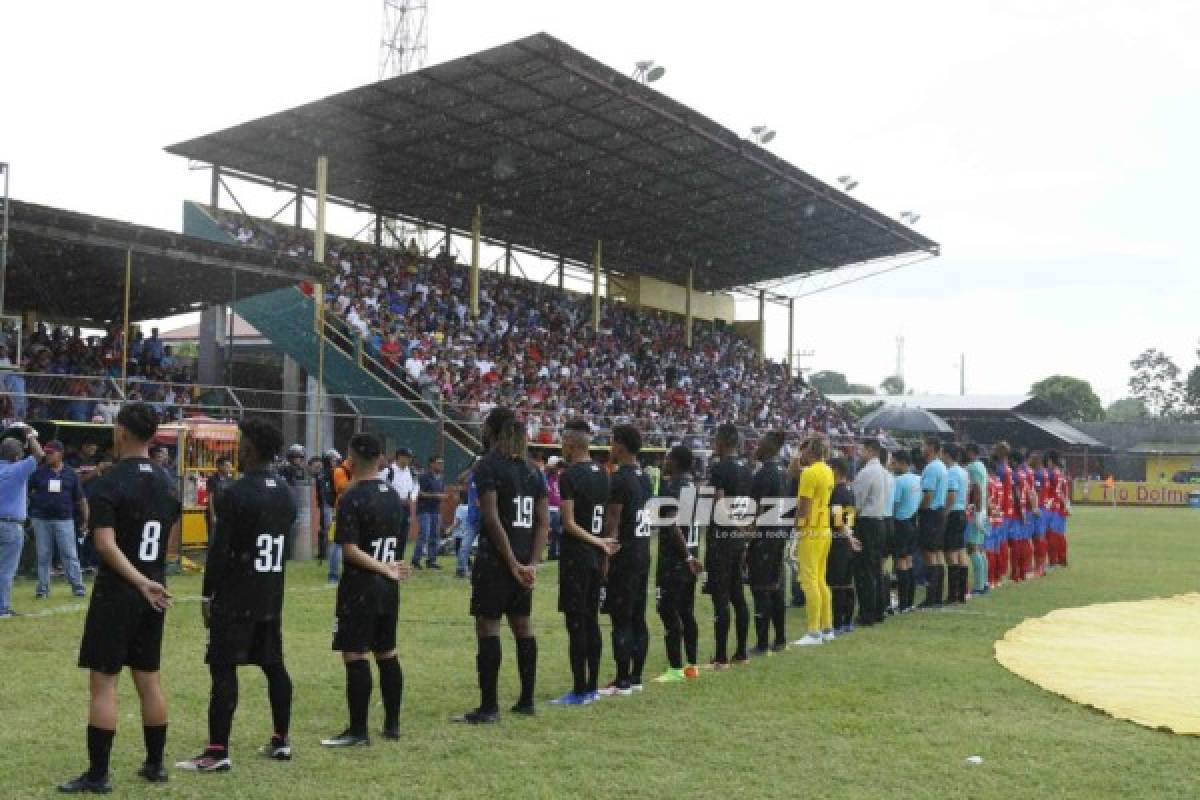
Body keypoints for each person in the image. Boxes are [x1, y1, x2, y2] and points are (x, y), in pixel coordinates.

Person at [59, 403, 181, 793]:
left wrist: (138, 581)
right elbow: (169, 537)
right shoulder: (166, 481)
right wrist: (151, 579)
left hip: (119, 591)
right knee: (149, 679)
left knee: (104, 683)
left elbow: (106, 546)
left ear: (124, 432)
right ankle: (155, 765)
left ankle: (97, 775)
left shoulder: (110, 481)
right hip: (154, 589)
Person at [176, 419, 298, 771]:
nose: (238, 448)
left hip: (237, 594)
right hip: (270, 593)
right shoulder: (285, 491)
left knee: (223, 669)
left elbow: (220, 550)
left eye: (242, 442)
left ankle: (217, 751)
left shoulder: (236, 492)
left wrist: (207, 595)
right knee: (274, 666)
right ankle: (281, 740)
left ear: (251, 448)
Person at [453, 407, 548, 724]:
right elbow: (543, 522)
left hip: (496, 561)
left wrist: (509, 561)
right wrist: (530, 564)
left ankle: (489, 706)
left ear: (492, 431)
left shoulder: (488, 466)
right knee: (523, 626)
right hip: (524, 559)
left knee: (488, 627)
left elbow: (492, 518)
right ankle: (526, 699)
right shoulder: (535, 471)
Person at [321, 433, 412, 747]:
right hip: (388, 586)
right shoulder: (393, 495)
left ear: (353, 457)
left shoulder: (351, 495)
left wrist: (382, 566)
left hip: (362, 584)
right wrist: (392, 566)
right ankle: (392, 724)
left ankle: (358, 731)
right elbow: (399, 542)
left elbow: (349, 549)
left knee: (355, 653)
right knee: (386, 652)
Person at [550, 419, 615, 705]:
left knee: (576, 622)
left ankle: (579, 690)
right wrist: (602, 544)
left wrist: (595, 541)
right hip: (596, 556)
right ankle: (592, 685)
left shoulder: (569, 476)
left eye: (563, 442)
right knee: (591, 621)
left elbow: (569, 523)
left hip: (578, 555)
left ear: (571, 443)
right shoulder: (603, 474)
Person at [597, 424, 653, 695]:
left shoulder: (619, 479)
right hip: (643, 551)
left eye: (612, 442)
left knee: (621, 617)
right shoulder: (645, 478)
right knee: (638, 616)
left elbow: (614, 520)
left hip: (626, 553)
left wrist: (608, 554)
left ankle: (621, 680)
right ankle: (636, 676)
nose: (610, 448)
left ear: (620, 445)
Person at [704, 423, 753, 667]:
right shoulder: (747, 470)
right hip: (738, 538)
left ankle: (721, 655)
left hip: (721, 538)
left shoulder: (718, 468)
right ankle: (742, 652)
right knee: (738, 596)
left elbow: (718, 501)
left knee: (721, 597)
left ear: (722, 442)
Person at [653, 445, 702, 683]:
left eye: (667, 458)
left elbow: (672, 526)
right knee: (686, 611)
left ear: (674, 461)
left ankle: (675, 668)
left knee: (667, 610)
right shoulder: (694, 487)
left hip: (676, 561)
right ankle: (692, 665)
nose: (665, 461)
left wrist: (686, 557)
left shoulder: (672, 488)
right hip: (691, 556)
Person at [30, 439, 89, 599]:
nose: (48, 455)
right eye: (46, 452)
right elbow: (28, 492)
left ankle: (78, 586)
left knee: (69, 554)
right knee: (43, 555)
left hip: (64, 519)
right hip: (41, 519)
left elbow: (81, 499)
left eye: (51, 452)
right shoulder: (38, 472)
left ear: (60, 454)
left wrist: (85, 520)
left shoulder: (71, 474)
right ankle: (42, 589)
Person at [747, 431, 788, 655]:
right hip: (779, 533)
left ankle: (762, 643)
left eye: (759, 444)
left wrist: (747, 538)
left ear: (768, 448)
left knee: (761, 589)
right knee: (776, 588)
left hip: (765, 537)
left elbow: (756, 510)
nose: (755, 448)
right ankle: (780, 638)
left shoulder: (764, 474)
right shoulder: (783, 471)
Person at [792, 435, 835, 646]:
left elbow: (804, 506)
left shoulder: (809, 473)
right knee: (820, 580)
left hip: (811, 531)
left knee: (809, 581)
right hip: (824, 529)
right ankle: (827, 627)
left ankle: (813, 631)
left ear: (811, 451)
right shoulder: (828, 471)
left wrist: (797, 527)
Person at [0, 425, 43, 618]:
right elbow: (40, 454)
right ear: (17, 456)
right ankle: (2, 608)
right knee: (6, 569)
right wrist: (30, 435)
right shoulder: (18, 469)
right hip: (10, 525)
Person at [850, 439, 887, 626]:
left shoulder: (867, 472)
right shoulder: (883, 472)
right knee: (875, 569)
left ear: (871, 451)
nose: (859, 453)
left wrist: (848, 524)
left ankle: (867, 613)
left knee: (864, 571)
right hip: (879, 521)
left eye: (862, 449)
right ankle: (878, 610)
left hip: (866, 522)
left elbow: (857, 502)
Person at [916, 436, 949, 609]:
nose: (922, 449)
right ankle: (936, 596)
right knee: (936, 555)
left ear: (931, 447)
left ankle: (931, 597)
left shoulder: (931, 468)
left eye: (923, 445)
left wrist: (920, 510)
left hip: (931, 513)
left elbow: (928, 494)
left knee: (929, 555)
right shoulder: (942, 466)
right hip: (939, 513)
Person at [828, 458, 859, 634]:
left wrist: (846, 537)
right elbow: (850, 519)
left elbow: (839, 520)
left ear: (836, 471)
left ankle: (837, 622)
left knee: (837, 583)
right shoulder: (850, 491)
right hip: (847, 539)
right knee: (847, 582)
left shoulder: (837, 493)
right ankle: (847, 621)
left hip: (839, 540)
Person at [889, 450, 921, 612]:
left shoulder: (899, 481)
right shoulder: (918, 479)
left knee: (901, 562)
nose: (892, 466)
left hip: (901, 523)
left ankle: (902, 604)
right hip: (913, 522)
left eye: (894, 462)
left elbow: (894, 504)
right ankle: (909, 602)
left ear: (902, 463)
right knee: (909, 561)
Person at [941, 444, 970, 604]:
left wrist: (944, 513)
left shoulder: (951, 472)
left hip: (953, 513)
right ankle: (961, 594)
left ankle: (953, 594)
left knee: (951, 554)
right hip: (962, 513)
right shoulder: (963, 472)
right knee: (961, 552)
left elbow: (951, 494)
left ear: (946, 455)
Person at [381, 448, 419, 561]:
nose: (408, 459)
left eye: (409, 457)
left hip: (405, 507)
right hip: (391, 507)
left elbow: (416, 487)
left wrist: (411, 498)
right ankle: (388, 560)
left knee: (403, 534)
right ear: (399, 457)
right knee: (391, 534)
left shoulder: (412, 472)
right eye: (406, 456)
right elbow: (380, 486)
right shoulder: (388, 471)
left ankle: (399, 560)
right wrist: (392, 498)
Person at [963, 444, 990, 596]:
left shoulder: (972, 467)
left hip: (976, 511)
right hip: (983, 509)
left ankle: (979, 587)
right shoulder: (982, 465)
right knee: (980, 548)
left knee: (972, 548)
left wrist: (977, 511)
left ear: (970, 452)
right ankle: (984, 583)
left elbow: (977, 489)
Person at [412, 455, 446, 569]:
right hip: (424, 510)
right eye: (439, 463)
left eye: (442, 463)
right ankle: (415, 561)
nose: (441, 465)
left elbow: (440, 493)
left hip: (435, 510)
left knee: (435, 536)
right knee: (424, 534)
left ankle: (431, 561)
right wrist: (436, 495)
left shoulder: (440, 478)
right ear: (431, 464)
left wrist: (441, 496)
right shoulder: (424, 477)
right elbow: (419, 493)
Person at [1044, 450, 1070, 567]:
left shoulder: (1053, 474)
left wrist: (1050, 504)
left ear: (1050, 460)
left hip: (1056, 508)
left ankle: (1053, 561)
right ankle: (1062, 559)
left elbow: (1057, 492)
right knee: (1060, 535)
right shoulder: (1060, 473)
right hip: (1062, 508)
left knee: (1053, 535)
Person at [544, 456, 563, 561]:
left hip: (557, 508)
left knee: (557, 532)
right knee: (544, 531)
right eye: (557, 465)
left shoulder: (558, 477)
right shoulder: (546, 476)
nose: (558, 468)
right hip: (548, 507)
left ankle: (553, 553)